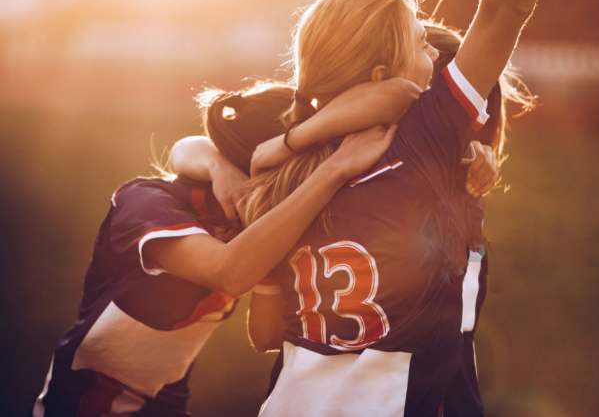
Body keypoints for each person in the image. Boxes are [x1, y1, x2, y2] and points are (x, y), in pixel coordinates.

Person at [240, 0, 562, 415]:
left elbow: (267, 331)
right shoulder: (417, 144)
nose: (436, 55)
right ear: (383, 73)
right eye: (420, 44)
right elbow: (507, 3)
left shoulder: (282, 166)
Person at [32, 82, 398, 417]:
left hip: (165, 405)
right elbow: (229, 271)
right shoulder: (147, 202)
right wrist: (331, 171)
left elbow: (266, 334)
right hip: (84, 404)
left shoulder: (254, 225)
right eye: (293, 183)